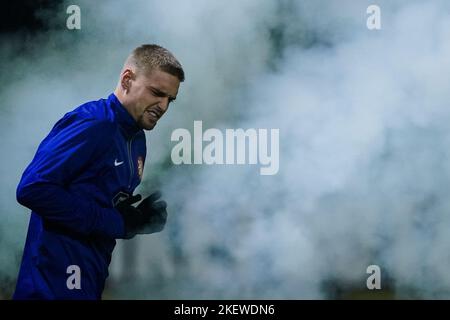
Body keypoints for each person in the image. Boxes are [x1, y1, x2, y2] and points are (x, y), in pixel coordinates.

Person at [13, 44, 184, 299]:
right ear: (127, 79)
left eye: (170, 99)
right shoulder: (95, 123)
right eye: (156, 93)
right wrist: (117, 222)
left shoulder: (137, 139)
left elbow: (97, 203)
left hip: (88, 282)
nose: (163, 106)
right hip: (49, 288)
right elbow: (32, 189)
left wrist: (133, 220)